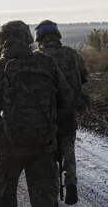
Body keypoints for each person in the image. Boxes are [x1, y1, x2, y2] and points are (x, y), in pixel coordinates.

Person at [0, 20, 77, 207]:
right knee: (45, 201)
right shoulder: (47, 62)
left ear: (2, 41)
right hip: (43, 145)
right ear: (28, 38)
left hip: (10, 145)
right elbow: (67, 98)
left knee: (5, 197)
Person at [35, 20, 89, 205]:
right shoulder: (71, 54)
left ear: (39, 37)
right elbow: (84, 76)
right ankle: (71, 181)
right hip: (68, 112)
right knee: (68, 148)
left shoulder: (38, 57)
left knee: (48, 155)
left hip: (46, 116)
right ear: (57, 35)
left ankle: (52, 194)